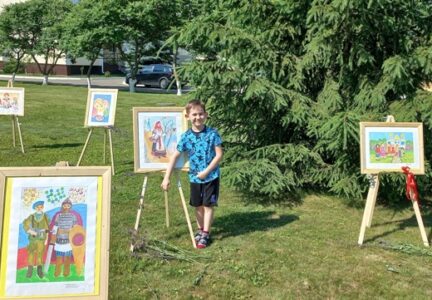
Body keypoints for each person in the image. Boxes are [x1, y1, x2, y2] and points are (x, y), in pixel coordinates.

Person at [161, 99, 223, 248]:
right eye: (194, 114)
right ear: (187, 116)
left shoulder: (213, 134)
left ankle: (206, 233)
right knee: (198, 206)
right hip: (194, 178)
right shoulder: (186, 137)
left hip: (211, 177)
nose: (198, 117)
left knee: (208, 205)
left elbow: (219, 155)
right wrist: (166, 177)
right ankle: (200, 230)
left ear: (206, 115)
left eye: (201, 114)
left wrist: (206, 171)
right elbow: (175, 156)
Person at [49, 198, 83, 277]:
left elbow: (75, 228)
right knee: (59, 258)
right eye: (65, 205)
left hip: (68, 241)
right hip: (59, 240)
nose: (66, 207)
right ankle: (57, 273)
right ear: (62, 206)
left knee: (67, 259)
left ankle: (66, 273)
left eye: (68, 205)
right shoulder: (59, 216)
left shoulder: (73, 216)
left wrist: (68, 231)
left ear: (70, 206)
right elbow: (55, 226)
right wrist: (54, 235)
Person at [23, 200, 50, 278]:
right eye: (37, 207)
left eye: (41, 207)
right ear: (35, 208)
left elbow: (47, 228)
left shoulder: (45, 216)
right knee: (31, 253)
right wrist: (29, 231)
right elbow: (25, 223)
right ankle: (29, 271)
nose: (39, 208)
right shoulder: (31, 216)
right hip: (33, 238)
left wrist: (46, 239)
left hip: (41, 238)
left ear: (43, 207)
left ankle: (39, 271)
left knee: (40, 254)